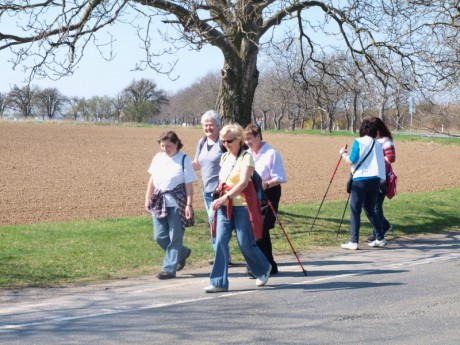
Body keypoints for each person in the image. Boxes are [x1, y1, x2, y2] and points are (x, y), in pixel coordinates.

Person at [205, 123, 271, 293]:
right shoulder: (225, 157)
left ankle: (263, 268)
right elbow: (223, 181)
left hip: (242, 206)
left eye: (229, 141)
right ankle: (218, 282)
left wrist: (226, 197)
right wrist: (219, 196)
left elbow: (243, 183)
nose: (226, 144)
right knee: (220, 241)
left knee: (245, 243)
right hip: (225, 207)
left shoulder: (246, 157)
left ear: (239, 140)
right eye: (223, 141)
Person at [145, 130, 197, 279]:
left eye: (168, 146)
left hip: (177, 202)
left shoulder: (184, 159)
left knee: (175, 237)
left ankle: (168, 269)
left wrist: (189, 205)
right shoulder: (158, 158)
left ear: (176, 144)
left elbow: (189, 184)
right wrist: (148, 197)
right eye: (162, 146)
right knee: (159, 237)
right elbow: (153, 179)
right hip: (158, 201)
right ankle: (183, 253)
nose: (165, 149)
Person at [243, 124, 287, 274]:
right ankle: (269, 264)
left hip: (269, 194)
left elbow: (279, 178)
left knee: (260, 229)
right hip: (252, 196)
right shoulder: (247, 154)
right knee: (258, 230)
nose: (248, 142)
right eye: (246, 139)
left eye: (250, 138)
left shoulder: (271, 153)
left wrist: (265, 185)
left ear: (259, 136)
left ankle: (259, 265)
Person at [191, 110, 233, 265]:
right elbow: (196, 163)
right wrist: (179, 165)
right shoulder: (202, 142)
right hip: (206, 191)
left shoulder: (223, 143)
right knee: (214, 223)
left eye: (211, 125)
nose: (208, 128)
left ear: (218, 125)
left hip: (221, 191)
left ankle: (221, 256)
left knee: (214, 220)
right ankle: (223, 255)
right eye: (205, 125)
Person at [339, 118, 387, 250]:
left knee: (355, 210)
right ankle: (380, 237)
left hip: (361, 180)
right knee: (370, 209)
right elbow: (381, 164)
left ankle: (354, 241)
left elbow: (352, 161)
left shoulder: (358, 142)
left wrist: (343, 154)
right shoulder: (377, 145)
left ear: (363, 130)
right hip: (375, 180)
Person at [366, 117, 396, 242]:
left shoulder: (386, 141)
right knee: (372, 206)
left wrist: (377, 161)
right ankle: (384, 226)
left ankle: (378, 232)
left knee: (375, 206)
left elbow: (391, 158)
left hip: (382, 178)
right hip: (372, 176)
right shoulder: (373, 141)